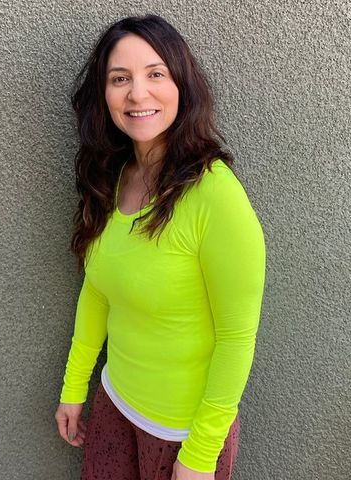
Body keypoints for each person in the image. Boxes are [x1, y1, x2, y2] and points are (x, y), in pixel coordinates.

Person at [55, 14, 266, 480]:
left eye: (155, 74)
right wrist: (74, 386)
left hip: (182, 434)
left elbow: (237, 339)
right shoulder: (112, 177)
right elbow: (98, 290)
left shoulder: (216, 196)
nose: (137, 93)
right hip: (114, 405)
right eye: (119, 79)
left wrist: (200, 455)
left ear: (181, 85)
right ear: (103, 95)